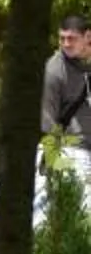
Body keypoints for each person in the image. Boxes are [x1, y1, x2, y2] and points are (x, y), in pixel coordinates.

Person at [44, 17, 91, 153]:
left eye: (72, 38)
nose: (66, 44)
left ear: (87, 36)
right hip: (74, 151)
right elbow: (47, 119)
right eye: (62, 38)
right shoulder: (54, 70)